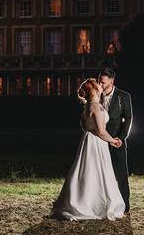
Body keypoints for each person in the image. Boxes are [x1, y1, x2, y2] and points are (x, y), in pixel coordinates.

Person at [50, 78, 127, 221]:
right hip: (96, 142)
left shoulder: (89, 106)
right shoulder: (95, 107)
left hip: (90, 141)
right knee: (95, 171)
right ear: (95, 89)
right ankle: (93, 204)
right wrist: (113, 140)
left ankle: (85, 199)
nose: (101, 85)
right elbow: (101, 131)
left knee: (88, 171)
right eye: (98, 85)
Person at [97, 66, 133, 213]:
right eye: (99, 81)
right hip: (98, 142)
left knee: (121, 175)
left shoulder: (123, 96)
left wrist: (121, 138)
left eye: (103, 82)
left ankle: (125, 206)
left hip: (117, 142)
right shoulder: (96, 96)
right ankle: (103, 204)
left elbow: (128, 118)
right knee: (101, 175)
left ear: (112, 81)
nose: (100, 85)